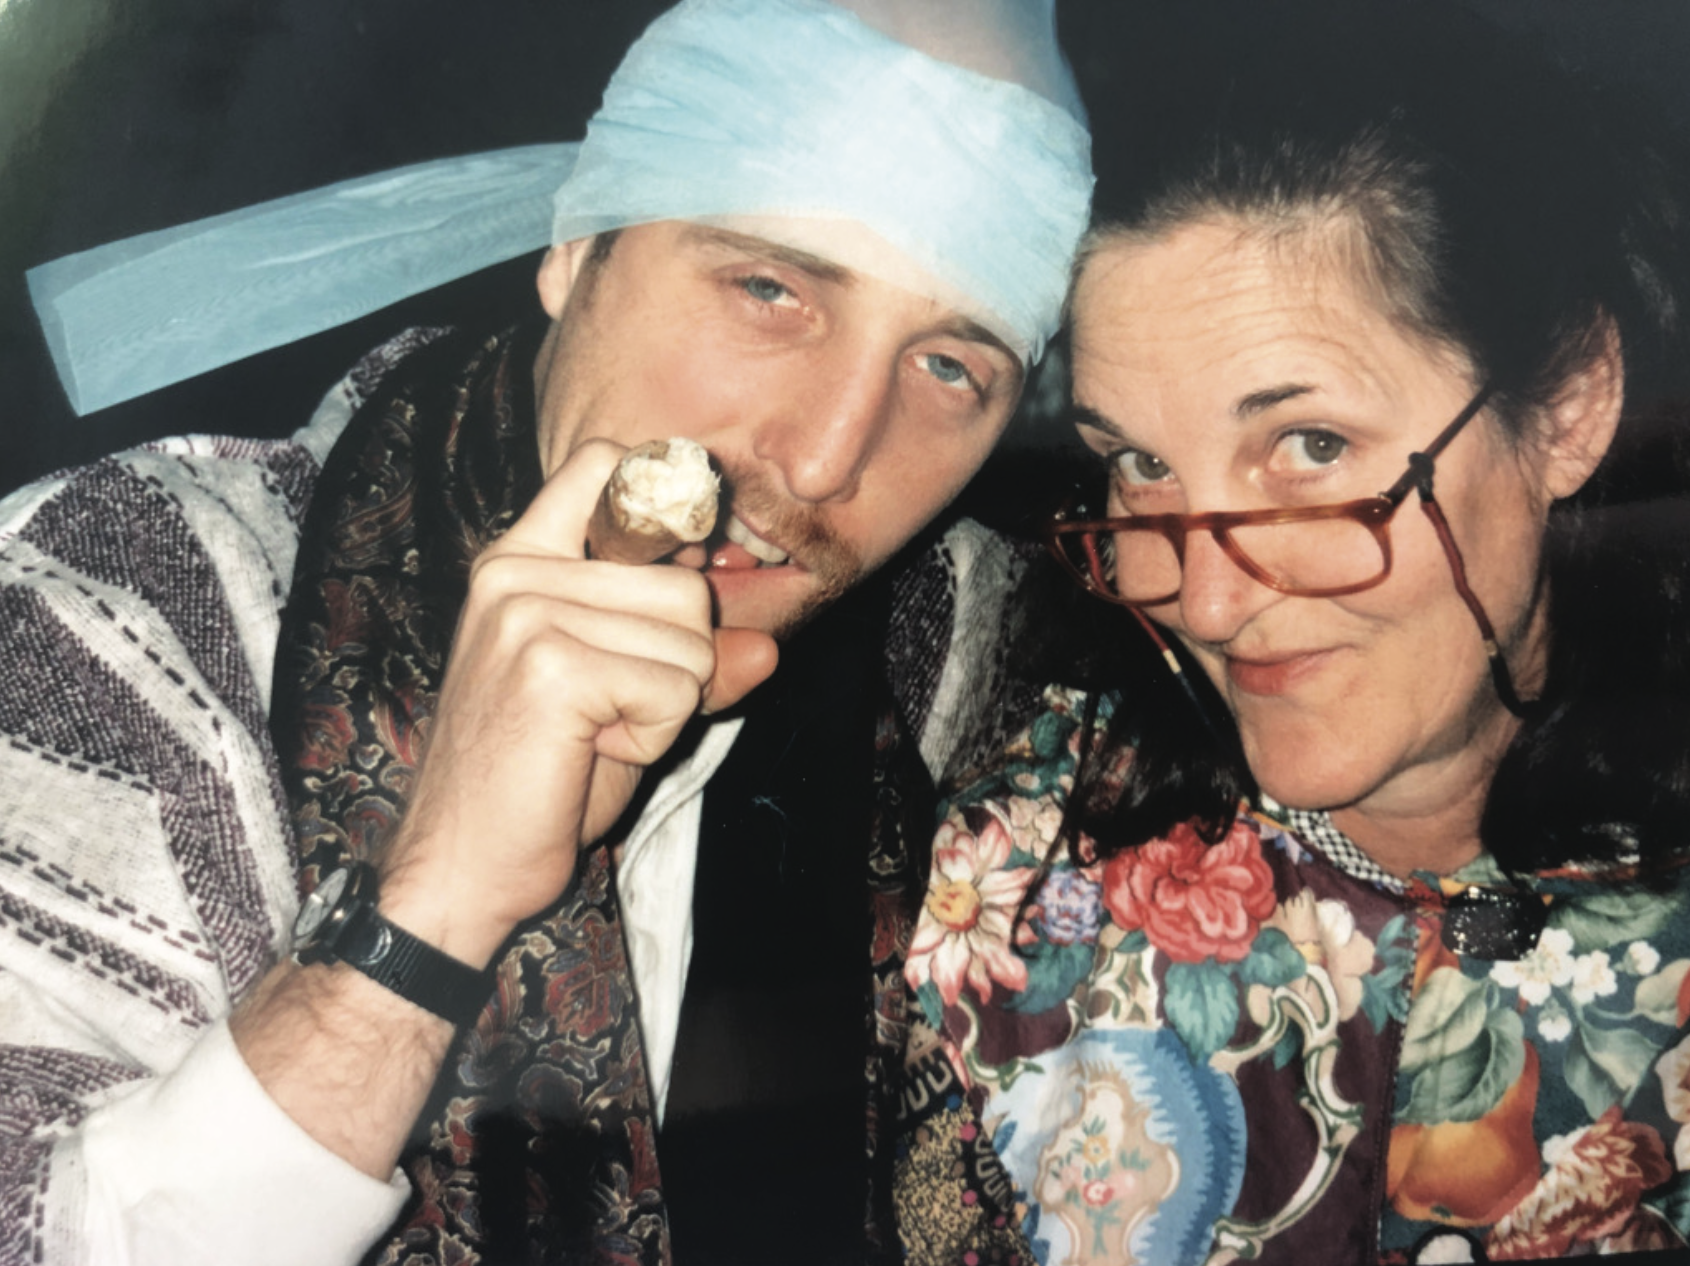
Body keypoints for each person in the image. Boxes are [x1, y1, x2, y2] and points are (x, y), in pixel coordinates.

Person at [0, 1, 1091, 1263]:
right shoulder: (124, 610)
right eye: (770, 289)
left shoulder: (958, 652)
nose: (825, 461)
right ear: (578, 248)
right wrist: (435, 899)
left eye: (951, 367)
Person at [891, 5, 1690, 1264]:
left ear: (1573, 407)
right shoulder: (1005, 886)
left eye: (1310, 447)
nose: (1206, 604)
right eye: (1139, 464)